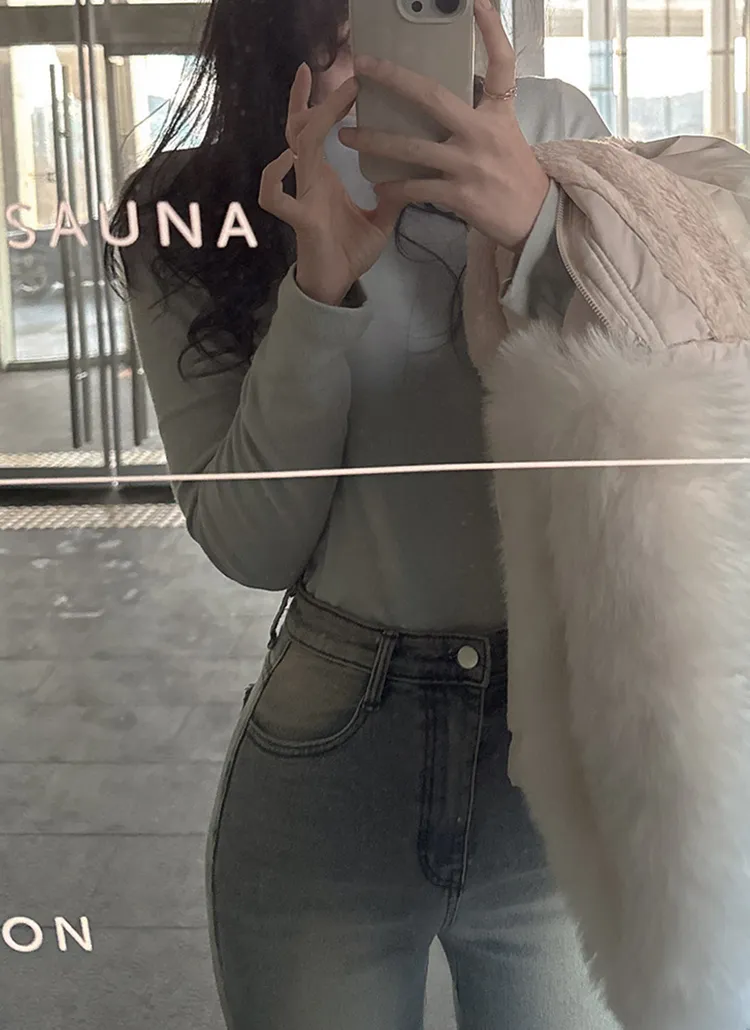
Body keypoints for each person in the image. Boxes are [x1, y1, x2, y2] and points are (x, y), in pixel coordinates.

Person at [107, 0, 750, 1027]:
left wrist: (542, 233)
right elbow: (251, 543)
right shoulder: (192, 205)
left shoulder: (550, 130)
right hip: (333, 751)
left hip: (556, 751)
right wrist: (317, 295)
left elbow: (665, 426)